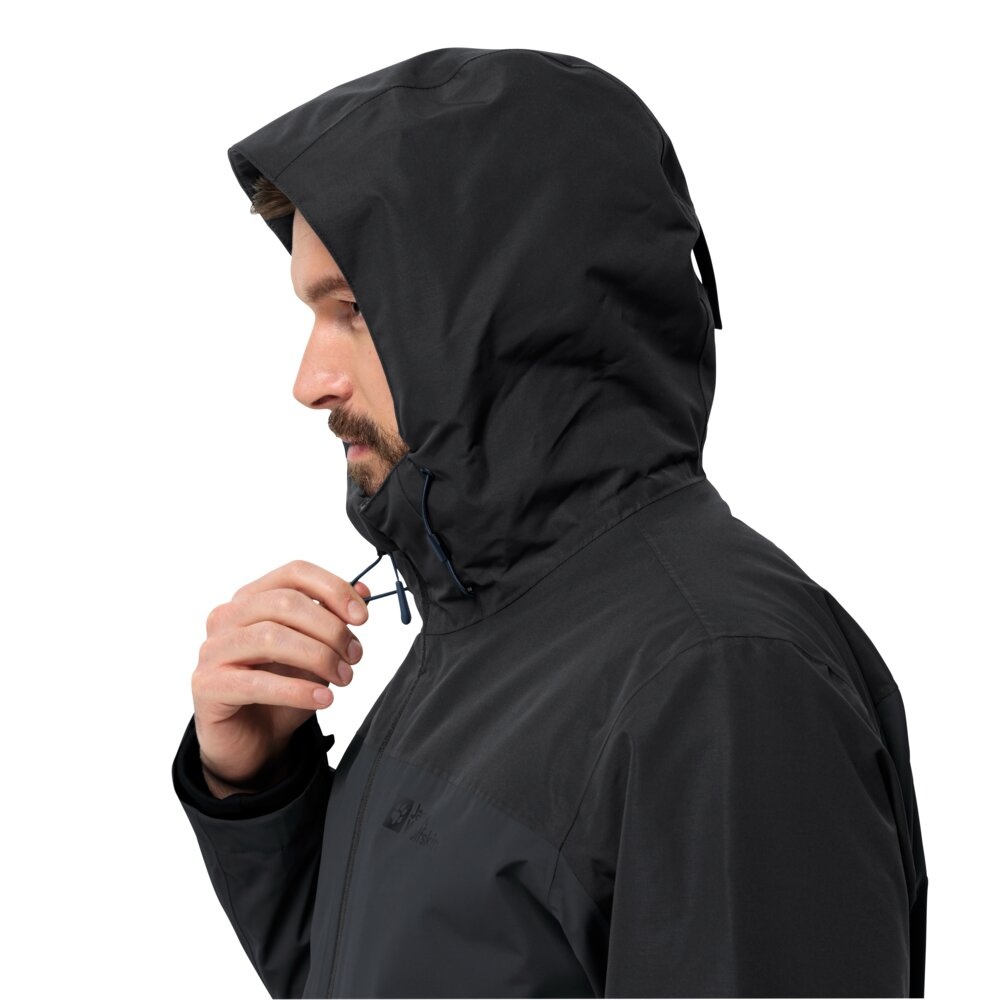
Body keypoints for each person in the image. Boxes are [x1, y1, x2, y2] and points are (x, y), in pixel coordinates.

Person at [171, 46, 928, 999]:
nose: (309, 382)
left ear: (511, 318)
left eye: (356, 312)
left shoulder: (721, 683)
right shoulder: (493, 628)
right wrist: (258, 788)